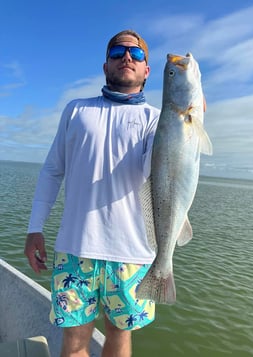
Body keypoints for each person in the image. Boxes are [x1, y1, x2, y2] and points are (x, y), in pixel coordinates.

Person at [24, 29, 160, 357]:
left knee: (119, 337)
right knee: (73, 344)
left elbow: (155, 173)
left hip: (133, 252)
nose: (127, 57)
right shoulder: (76, 110)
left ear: (147, 70)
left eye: (137, 54)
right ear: (105, 66)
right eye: (117, 52)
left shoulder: (156, 119)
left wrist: (187, 120)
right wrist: (34, 227)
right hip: (75, 247)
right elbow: (52, 170)